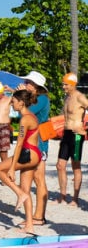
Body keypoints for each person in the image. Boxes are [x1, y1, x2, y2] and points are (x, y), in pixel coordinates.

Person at [0, 89, 41, 233]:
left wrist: (12, 167)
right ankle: (29, 225)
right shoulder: (32, 116)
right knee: (26, 189)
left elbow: (19, 144)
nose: (12, 104)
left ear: (21, 103)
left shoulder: (25, 119)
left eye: (13, 102)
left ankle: (18, 193)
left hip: (27, 153)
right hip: (34, 154)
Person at [22, 70, 51, 225]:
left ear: (35, 86)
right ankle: (35, 216)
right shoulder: (36, 98)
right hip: (34, 142)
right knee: (33, 179)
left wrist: (20, 95)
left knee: (39, 179)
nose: (26, 84)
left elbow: (26, 113)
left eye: (28, 82)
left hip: (39, 143)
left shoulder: (42, 99)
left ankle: (39, 216)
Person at [57, 72, 88, 207]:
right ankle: (62, 196)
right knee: (60, 165)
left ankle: (75, 199)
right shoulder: (67, 98)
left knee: (75, 166)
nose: (63, 86)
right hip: (66, 134)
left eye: (65, 84)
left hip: (76, 135)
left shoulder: (80, 97)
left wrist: (85, 130)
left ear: (72, 84)